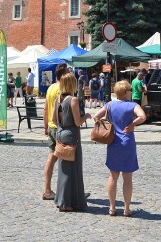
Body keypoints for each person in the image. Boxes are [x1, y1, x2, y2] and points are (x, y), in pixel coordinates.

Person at [93, 80, 146, 217]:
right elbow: (142, 116)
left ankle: (111, 208)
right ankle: (127, 209)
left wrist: (108, 123)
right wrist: (132, 124)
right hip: (127, 142)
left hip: (113, 142)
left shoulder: (109, 105)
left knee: (113, 176)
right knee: (127, 177)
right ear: (126, 92)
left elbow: (96, 116)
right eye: (129, 90)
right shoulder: (132, 105)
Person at [54, 72, 91, 212]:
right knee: (72, 170)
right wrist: (86, 116)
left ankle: (62, 199)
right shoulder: (73, 100)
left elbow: (53, 119)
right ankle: (67, 202)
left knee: (63, 169)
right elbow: (77, 122)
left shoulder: (58, 98)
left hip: (60, 132)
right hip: (71, 135)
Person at [42, 63, 69, 200]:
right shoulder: (62, 88)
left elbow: (46, 108)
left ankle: (47, 189)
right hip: (60, 127)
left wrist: (45, 125)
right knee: (67, 159)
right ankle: (68, 192)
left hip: (51, 127)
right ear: (64, 75)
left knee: (51, 158)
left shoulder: (51, 87)